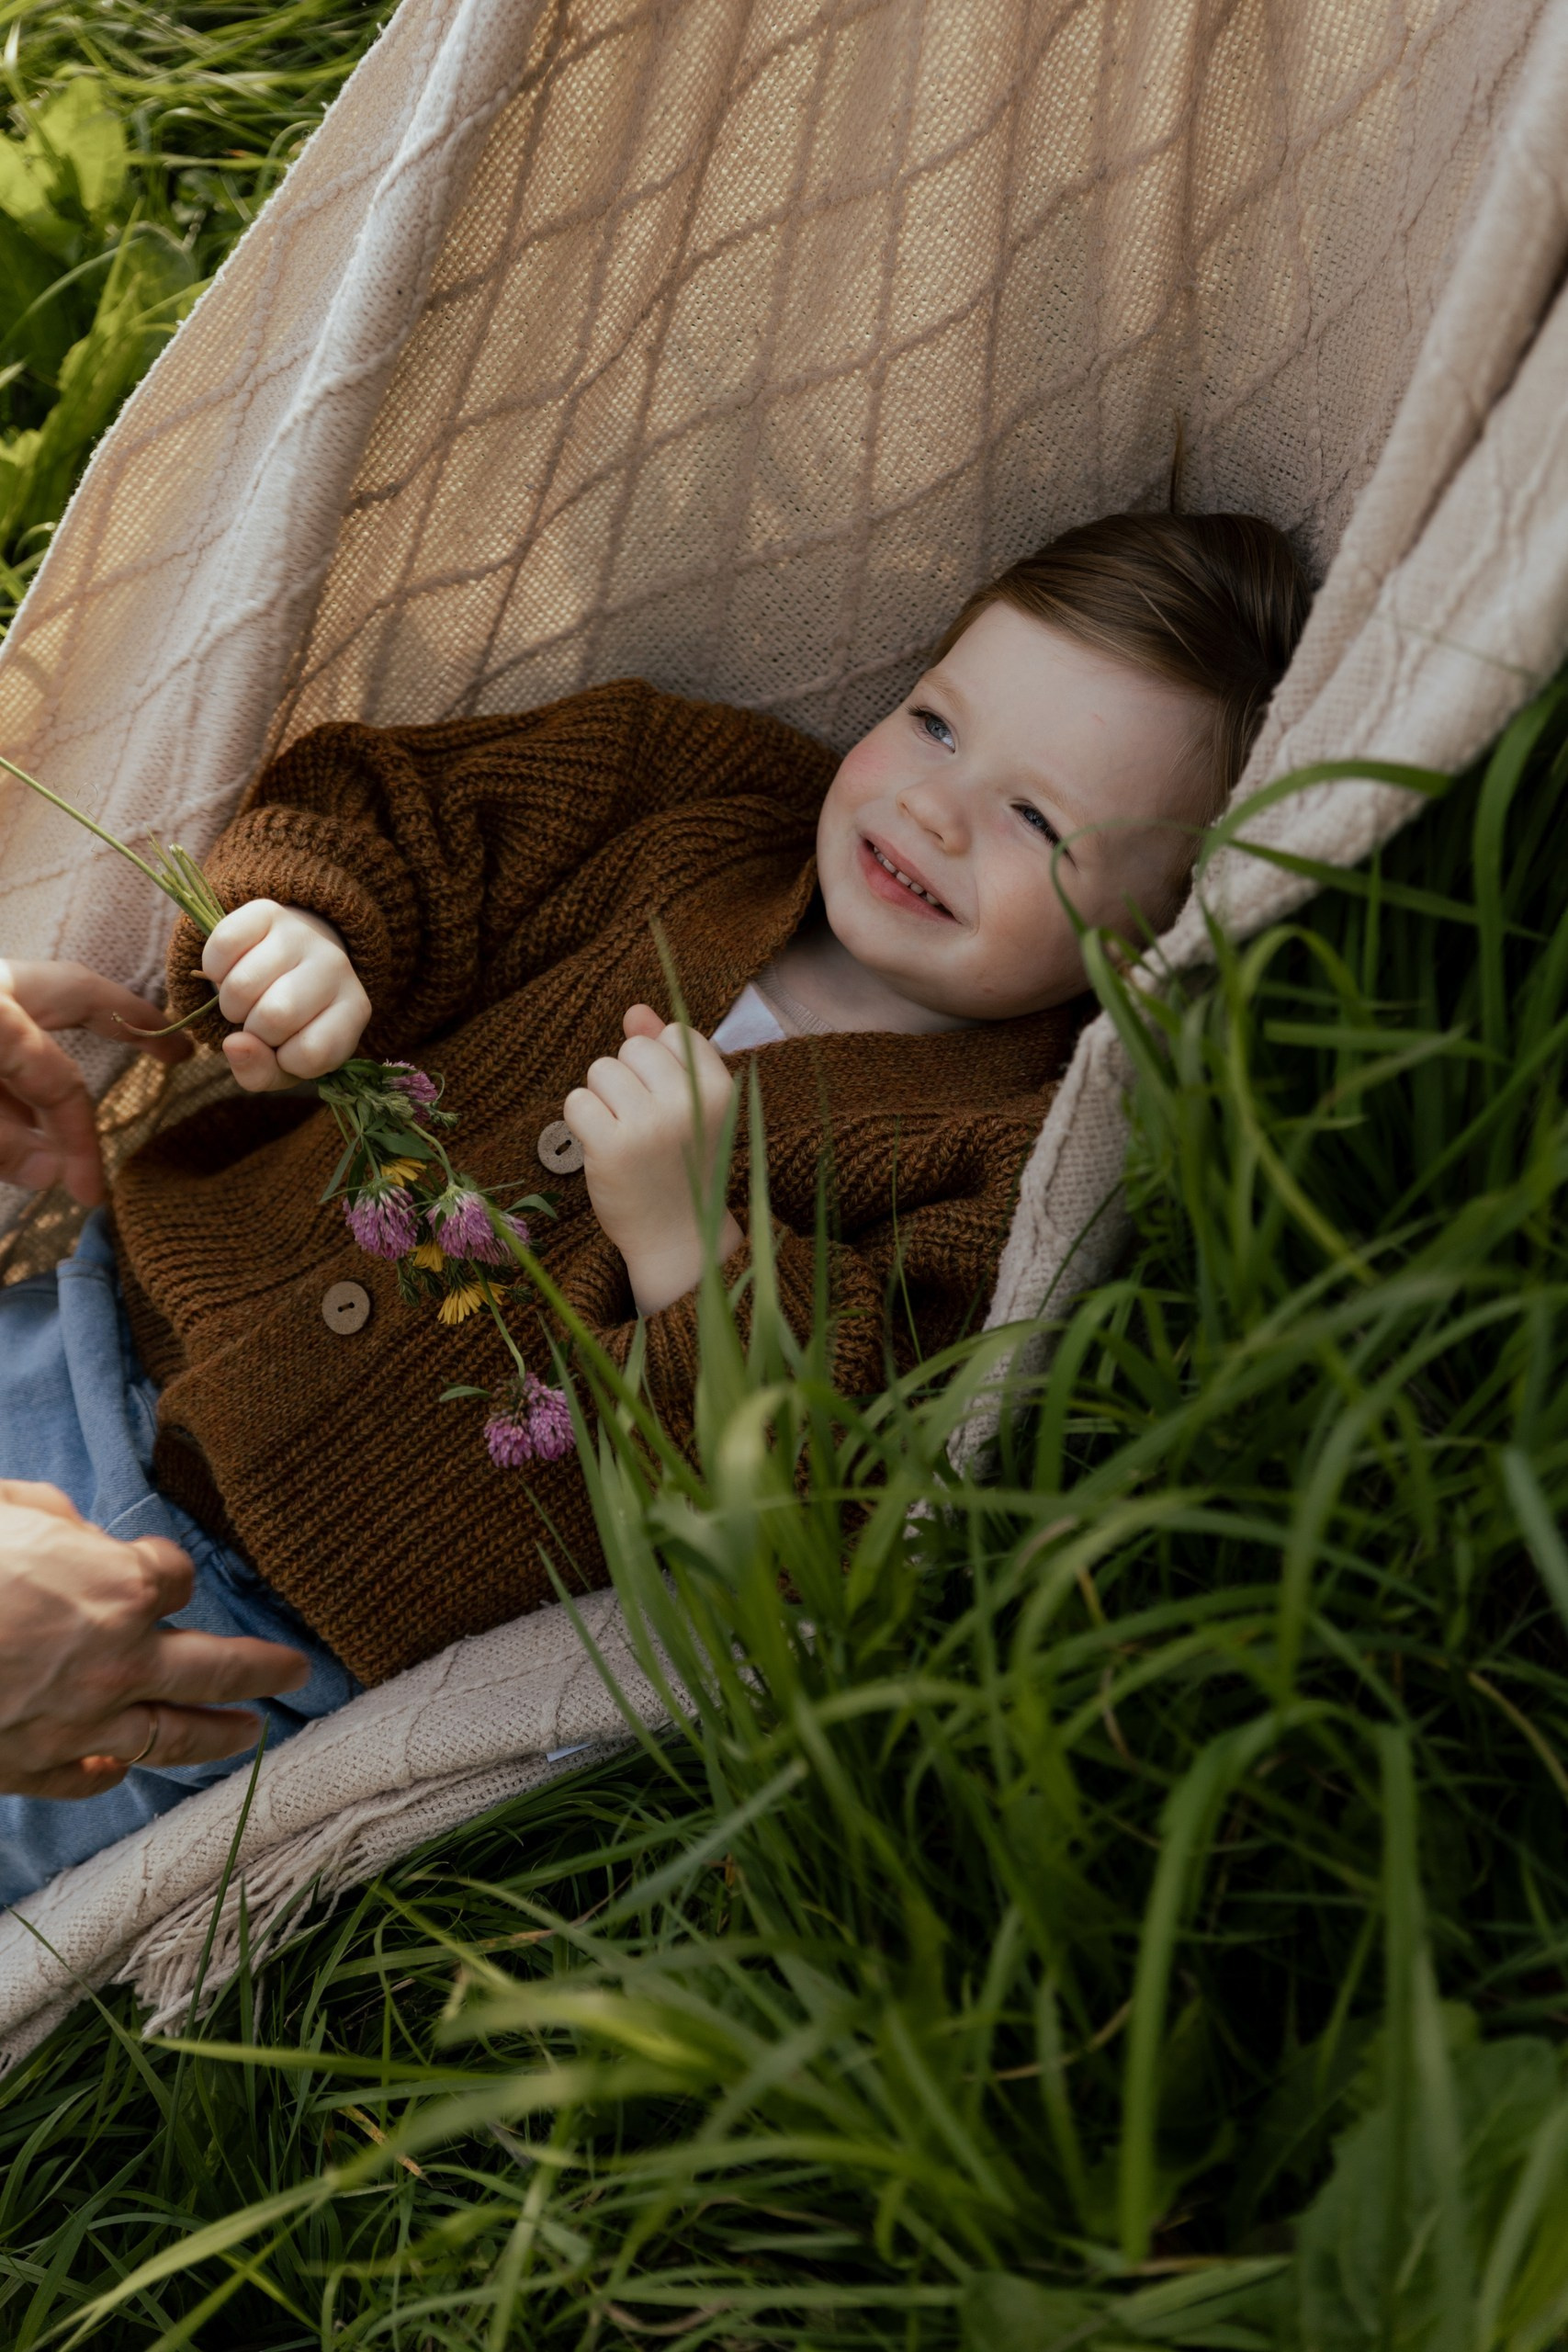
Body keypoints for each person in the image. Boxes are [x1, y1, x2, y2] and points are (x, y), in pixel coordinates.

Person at [0, 510, 1310, 1906]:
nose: (938, 807)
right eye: (935, 724)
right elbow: (410, 817)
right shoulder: (694, 807)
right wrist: (307, 933)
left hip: (255, 1636)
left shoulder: (998, 1163)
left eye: (1037, 819)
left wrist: (695, 1253)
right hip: (92, 1326)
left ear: (1155, 932)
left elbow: (819, 1499)